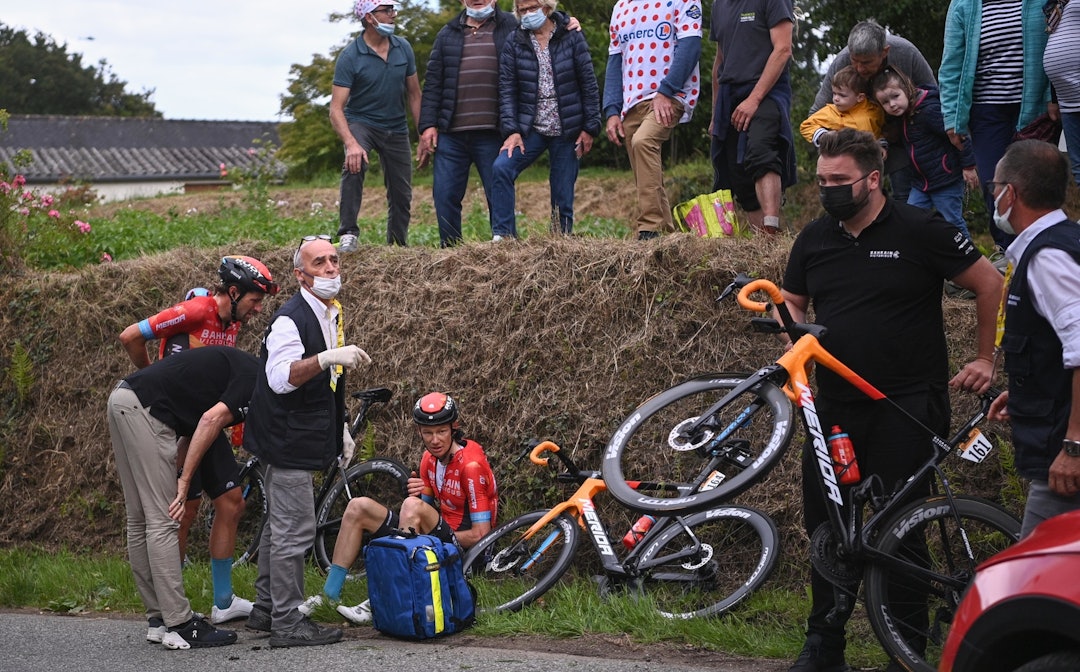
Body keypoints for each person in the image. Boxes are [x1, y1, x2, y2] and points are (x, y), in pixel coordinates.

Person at [780, 129, 1003, 672]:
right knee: (830, 526)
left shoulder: (920, 228)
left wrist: (984, 359)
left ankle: (906, 645)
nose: (829, 189)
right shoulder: (814, 237)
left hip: (906, 404)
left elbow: (990, 283)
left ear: (874, 178)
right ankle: (823, 643)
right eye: (822, 181)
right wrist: (795, 355)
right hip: (831, 407)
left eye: (840, 181)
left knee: (903, 525)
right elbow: (790, 304)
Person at [117, 255, 279, 628]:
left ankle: (222, 601)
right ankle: (170, 608)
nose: (257, 310)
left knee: (232, 502)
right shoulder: (195, 310)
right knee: (182, 514)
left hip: (206, 424)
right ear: (234, 292)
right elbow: (130, 335)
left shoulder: (230, 323)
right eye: (255, 301)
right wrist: (154, 376)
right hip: (175, 424)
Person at [243, 234, 371, 647]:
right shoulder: (290, 318)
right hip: (286, 438)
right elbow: (280, 379)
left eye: (334, 260)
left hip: (298, 433)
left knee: (278, 527)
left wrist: (341, 428)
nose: (331, 268)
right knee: (294, 530)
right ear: (300, 274)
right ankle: (287, 622)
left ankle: (265, 609)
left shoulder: (329, 311)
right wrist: (327, 357)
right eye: (320, 263)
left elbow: (327, 384)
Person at [107, 346, 262, 649]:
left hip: (123, 398)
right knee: (165, 518)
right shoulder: (256, 378)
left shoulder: (239, 368)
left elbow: (193, 426)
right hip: (147, 411)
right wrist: (185, 481)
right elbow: (209, 421)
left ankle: (158, 620)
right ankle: (180, 623)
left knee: (139, 518)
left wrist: (180, 470)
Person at [298, 392, 498, 625]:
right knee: (357, 507)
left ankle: (385, 600)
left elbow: (481, 536)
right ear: (419, 432)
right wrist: (419, 495)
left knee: (411, 507)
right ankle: (329, 596)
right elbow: (423, 508)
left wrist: (420, 524)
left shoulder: (471, 466)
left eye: (442, 431)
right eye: (428, 433)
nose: (435, 440)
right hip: (434, 538)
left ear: (454, 428)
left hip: (464, 555)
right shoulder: (429, 459)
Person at [987, 139, 1080, 538]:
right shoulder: (1064, 242)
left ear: (1011, 192)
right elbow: (1056, 345)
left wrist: (1075, 446)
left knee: (1029, 583)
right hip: (1057, 433)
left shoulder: (1048, 258)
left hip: (1065, 462)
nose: (992, 195)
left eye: (994, 186)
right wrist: (1027, 394)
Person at [939, 0, 1052, 250]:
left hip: (1033, 108)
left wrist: (1053, 96)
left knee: (1033, 183)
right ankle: (1008, 251)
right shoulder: (963, 5)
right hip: (987, 113)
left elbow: (1057, 41)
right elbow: (951, 64)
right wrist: (952, 118)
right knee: (996, 184)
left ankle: (1040, 252)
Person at [490, 0, 600, 239]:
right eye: (523, 10)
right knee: (501, 167)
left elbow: (588, 83)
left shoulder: (571, 35)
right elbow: (506, 89)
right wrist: (512, 131)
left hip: (567, 127)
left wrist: (590, 127)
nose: (528, 14)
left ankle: (560, 242)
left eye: (533, 8)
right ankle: (504, 236)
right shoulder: (515, 41)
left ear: (547, 7)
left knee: (562, 193)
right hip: (531, 128)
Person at [418, 0, 519, 247]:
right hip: (451, 134)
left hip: (493, 132)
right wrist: (428, 125)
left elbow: (545, 29)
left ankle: (507, 249)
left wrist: (566, 20)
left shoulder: (511, 26)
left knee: (498, 195)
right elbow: (433, 83)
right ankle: (451, 253)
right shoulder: (448, 33)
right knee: (445, 195)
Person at [604, 0, 703, 241]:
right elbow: (615, 61)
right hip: (631, 101)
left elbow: (690, 46)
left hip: (671, 94)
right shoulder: (621, 7)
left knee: (643, 141)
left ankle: (649, 227)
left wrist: (666, 91)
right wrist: (611, 110)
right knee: (643, 166)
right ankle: (666, 236)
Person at [809, 19, 937, 204]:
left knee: (905, 201)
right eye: (855, 61)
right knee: (857, 203)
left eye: (867, 62)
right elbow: (816, 113)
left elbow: (933, 98)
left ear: (885, 51)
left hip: (905, 142)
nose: (860, 69)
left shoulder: (906, 53)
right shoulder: (843, 60)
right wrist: (840, 139)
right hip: (855, 147)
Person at [331, 0, 422, 249]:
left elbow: (414, 94)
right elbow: (336, 109)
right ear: (370, 17)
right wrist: (351, 143)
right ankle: (348, 233)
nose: (394, 14)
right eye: (387, 10)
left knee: (401, 190)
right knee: (354, 164)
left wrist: (423, 133)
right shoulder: (350, 56)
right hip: (362, 123)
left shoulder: (403, 47)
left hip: (396, 126)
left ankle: (397, 244)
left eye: (393, 9)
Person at [709, 0, 797, 235]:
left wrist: (754, 99)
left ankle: (771, 227)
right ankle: (761, 246)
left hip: (767, 91)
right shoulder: (719, 6)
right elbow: (720, 61)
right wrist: (715, 113)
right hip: (730, 94)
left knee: (760, 150)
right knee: (737, 174)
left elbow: (783, 49)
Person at [871, 67, 980, 240]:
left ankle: (972, 262)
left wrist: (968, 166)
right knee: (910, 220)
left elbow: (960, 135)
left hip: (946, 180)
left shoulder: (929, 111)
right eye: (885, 102)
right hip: (921, 184)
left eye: (895, 96)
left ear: (907, 89)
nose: (892, 104)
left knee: (952, 223)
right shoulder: (905, 116)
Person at [799, 66, 885, 146]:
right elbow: (807, 125)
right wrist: (823, 136)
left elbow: (880, 131)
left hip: (868, 158)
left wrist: (881, 145)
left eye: (842, 95)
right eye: (834, 93)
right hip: (840, 158)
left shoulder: (873, 110)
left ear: (860, 97)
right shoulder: (831, 111)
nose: (836, 98)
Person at [1043, 0, 1080, 184]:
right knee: (1078, 168)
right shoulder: (1057, 2)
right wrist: (1054, 99)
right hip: (1067, 99)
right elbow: (1055, 40)